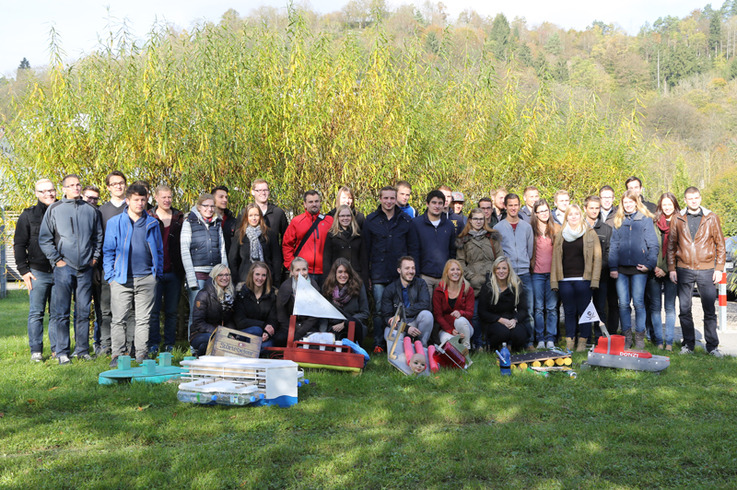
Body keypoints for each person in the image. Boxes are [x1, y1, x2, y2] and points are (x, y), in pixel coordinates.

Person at [39, 174, 103, 364]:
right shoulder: (54, 209)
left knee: (83, 311)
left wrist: (94, 258)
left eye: (78, 185)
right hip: (64, 268)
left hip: (85, 268)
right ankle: (62, 352)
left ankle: (82, 350)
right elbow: (45, 238)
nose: (76, 188)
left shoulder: (91, 210)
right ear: (64, 189)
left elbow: (98, 237)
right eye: (72, 185)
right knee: (61, 312)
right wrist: (57, 260)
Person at [103, 183, 163, 366]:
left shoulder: (152, 222)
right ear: (127, 201)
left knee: (143, 320)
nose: (139, 203)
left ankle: (141, 354)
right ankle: (118, 355)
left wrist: (156, 274)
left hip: (146, 278)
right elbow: (108, 251)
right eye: (136, 200)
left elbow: (159, 251)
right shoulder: (115, 223)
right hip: (121, 279)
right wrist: (111, 277)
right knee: (119, 319)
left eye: (143, 200)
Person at [667, 187, 726, 357]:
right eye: (690, 198)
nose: (694, 201)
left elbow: (720, 245)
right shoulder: (678, 218)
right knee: (685, 309)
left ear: (700, 198)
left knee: (709, 310)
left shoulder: (711, 217)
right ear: (685, 200)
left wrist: (719, 268)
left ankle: (712, 346)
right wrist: (672, 268)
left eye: (696, 198)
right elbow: (671, 246)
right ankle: (688, 345)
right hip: (684, 269)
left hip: (707, 269)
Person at [363, 186, 414, 352]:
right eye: (386, 198)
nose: (389, 201)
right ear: (380, 199)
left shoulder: (405, 220)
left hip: (399, 275)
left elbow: (411, 248)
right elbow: (366, 251)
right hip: (378, 274)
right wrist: (367, 276)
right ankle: (378, 343)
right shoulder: (370, 220)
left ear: (396, 198)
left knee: (400, 310)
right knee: (378, 311)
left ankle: (397, 344)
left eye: (392, 198)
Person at [609, 190, 659, 349]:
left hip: (639, 270)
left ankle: (639, 338)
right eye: (625, 202)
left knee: (638, 303)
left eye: (631, 202)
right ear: (622, 204)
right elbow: (614, 246)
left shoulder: (644, 220)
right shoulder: (619, 221)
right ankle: (627, 337)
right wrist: (613, 267)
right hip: (621, 270)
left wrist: (649, 265)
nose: (628, 205)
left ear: (636, 202)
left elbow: (653, 245)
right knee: (623, 304)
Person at [14, 178, 57, 361]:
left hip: (59, 270)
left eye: (51, 190)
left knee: (57, 313)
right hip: (38, 272)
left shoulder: (62, 211)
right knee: (36, 313)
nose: (48, 194)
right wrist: (24, 271)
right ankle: (36, 351)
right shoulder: (28, 215)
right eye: (43, 191)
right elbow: (19, 244)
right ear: (37, 194)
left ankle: (58, 350)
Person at [550, 204, 602, 352]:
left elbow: (597, 258)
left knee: (584, 311)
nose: (573, 217)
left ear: (581, 216)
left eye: (576, 214)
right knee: (569, 311)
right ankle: (570, 341)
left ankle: (583, 342)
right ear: (566, 217)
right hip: (565, 280)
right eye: (570, 214)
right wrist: (555, 280)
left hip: (584, 279)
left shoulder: (590, 233)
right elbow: (555, 259)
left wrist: (595, 280)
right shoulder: (560, 235)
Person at [456, 207, 503, 349]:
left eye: (481, 219)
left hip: (491, 281)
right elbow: (460, 262)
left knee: (492, 313)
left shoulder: (492, 237)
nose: (478, 222)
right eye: (475, 219)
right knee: (475, 315)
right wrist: (471, 277)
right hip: (473, 282)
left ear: (485, 220)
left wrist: (496, 276)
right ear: (470, 220)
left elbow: (500, 258)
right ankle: (478, 343)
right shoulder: (462, 240)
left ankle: (492, 342)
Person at [181, 193, 228, 335]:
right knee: (197, 311)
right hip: (197, 273)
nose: (209, 209)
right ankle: (194, 343)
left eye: (212, 206)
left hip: (214, 274)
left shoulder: (217, 223)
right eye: (206, 206)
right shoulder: (189, 222)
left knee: (215, 311)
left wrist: (225, 273)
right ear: (199, 207)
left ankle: (212, 342)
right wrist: (190, 277)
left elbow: (222, 249)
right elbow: (184, 250)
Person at [493, 193, 535, 349]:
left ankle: (529, 341)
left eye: (516, 205)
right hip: (507, 275)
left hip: (524, 272)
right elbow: (498, 252)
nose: (513, 208)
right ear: (505, 206)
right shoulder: (498, 228)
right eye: (510, 205)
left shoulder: (526, 227)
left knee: (528, 308)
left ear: (519, 205)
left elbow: (530, 250)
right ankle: (509, 342)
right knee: (507, 308)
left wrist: (524, 260)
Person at [147, 185, 185, 354]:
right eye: (163, 197)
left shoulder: (179, 217)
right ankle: (154, 344)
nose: (167, 200)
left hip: (174, 271)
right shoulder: (149, 217)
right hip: (154, 272)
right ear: (156, 198)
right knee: (153, 311)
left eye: (169, 197)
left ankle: (169, 344)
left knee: (171, 311)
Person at [98, 170, 128, 356]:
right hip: (108, 268)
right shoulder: (102, 211)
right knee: (106, 309)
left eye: (121, 182)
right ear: (108, 187)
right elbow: (99, 240)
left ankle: (127, 345)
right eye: (114, 183)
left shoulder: (134, 207)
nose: (118, 186)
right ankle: (105, 344)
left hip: (131, 268)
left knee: (128, 311)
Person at [409, 190, 457, 295]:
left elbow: (452, 251)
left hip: (444, 277)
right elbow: (413, 250)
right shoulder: (416, 224)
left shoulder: (449, 225)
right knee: (425, 309)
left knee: (442, 310)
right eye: (434, 202)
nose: (437, 206)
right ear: (427, 204)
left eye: (440, 203)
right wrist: (416, 274)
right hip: (424, 277)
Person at [649, 192, 680, 351]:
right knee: (655, 307)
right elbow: (649, 245)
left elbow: (680, 249)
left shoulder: (681, 222)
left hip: (672, 271)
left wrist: (667, 269)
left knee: (670, 308)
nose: (667, 207)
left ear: (675, 205)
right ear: (660, 206)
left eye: (670, 204)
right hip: (654, 270)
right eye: (664, 204)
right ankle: (658, 341)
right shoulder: (654, 222)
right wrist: (655, 267)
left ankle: (669, 342)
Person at [477, 256, 528, 352]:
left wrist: (515, 320)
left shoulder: (516, 286)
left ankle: (516, 350)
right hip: (494, 320)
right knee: (502, 332)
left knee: (520, 334)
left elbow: (523, 310)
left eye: (504, 268)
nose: (501, 271)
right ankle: (494, 349)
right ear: (494, 270)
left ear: (509, 270)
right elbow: (482, 311)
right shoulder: (488, 286)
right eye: (498, 268)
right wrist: (499, 320)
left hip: (511, 318)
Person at [381, 256, 433, 347]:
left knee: (427, 315)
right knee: (392, 338)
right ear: (399, 270)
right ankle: (402, 354)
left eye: (413, 268)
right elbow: (387, 318)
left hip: (415, 321)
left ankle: (421, 346)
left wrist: (400, 314)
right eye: (407, 268)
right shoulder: (390, 289)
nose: (411, 271)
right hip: (398, 325)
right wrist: (406, 328)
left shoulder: (421, 284)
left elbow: (425, 304)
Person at [282, 190, 334, 282]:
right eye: (311, 202)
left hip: (325, 272)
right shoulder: (297, 221)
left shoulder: (329, 221)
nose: (314, 204)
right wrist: (291, 266)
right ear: (305, 204)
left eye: (316, 201)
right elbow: (287, 245)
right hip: (303, 272)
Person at [530, 199, 560, 349]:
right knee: (538, 308)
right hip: (536, 274)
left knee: (552, 307)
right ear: (535, 213)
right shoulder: (530, 229)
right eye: (540, 211)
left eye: (546, 210)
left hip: (552, 274)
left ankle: (551, 338)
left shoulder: (556, 229)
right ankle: (540, 338)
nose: (543, 213)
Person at [229, 203, 281, 286]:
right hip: (244, 280)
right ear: (246, 217)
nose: (254, 218)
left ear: (260, 216)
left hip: (265, 279)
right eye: (250, 215)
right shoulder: (240, 234)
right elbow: (233, 259)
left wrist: (276, 282)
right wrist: (236, 281)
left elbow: (276, 259)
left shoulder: (269, 234)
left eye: (256, 215)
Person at [189, 264, 236, 356]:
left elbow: (230, 320)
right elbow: (198, 322)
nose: (224, 278)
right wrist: (218, 333)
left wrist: (230, 334)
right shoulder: (203, 294)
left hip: (221, 333)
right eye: (220, 275)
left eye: (227, 275)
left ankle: (202, 355)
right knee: (215, 340)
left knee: (230, 340)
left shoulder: (231, 295)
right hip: (200, 334)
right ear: (214, 277)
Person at [583, 196, 612, 341]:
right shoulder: (579, 227)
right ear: (585, 209)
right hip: (583, 276)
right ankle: (585, 337)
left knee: (600, 307)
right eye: (591, 208)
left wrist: (600, 268)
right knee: (585, 308)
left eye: (597, 208)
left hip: (602, 276)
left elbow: (608, 252)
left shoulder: (606, 229)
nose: (594, 211)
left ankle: (600, 338)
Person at [322, 258, 370, 343]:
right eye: (340, 272)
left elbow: (365, 313)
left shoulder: (358, 286)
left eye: (346, 272)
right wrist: (323, 332)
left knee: (352, 324)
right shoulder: (327, 287)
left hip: (353, 326)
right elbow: (324, 314)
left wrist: (345, 323)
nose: (343, 275)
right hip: (334, 327)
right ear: (335, 273)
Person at [234, 261, 279, 350]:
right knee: (256, 330)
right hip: (246, 333)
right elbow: (240, 321)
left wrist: (267, 333)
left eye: (263, 275)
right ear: (251, 275)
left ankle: (248, 351)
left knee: (267, 346)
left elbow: (273, 319)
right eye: (257, 274)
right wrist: (263, 325)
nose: (260, 278)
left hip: (263, 335)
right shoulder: (242, 293)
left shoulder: (272, 295)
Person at [276, 257, 321, 345]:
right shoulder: (285, 287)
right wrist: (292, 330)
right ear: (292, 272)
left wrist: (300, 332)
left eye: (304, 269)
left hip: (308, 327)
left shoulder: (314, 286)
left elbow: (315, 315)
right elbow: (281, 313)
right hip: (289, 326)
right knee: (280, 339)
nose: (301, 273)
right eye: (297, 270)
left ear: (308, 270)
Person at [432, 259, 474, 350]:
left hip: (464, 327)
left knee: (460, 320)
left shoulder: (468, 289)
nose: (456, 272)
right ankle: (458, 350)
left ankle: (466, 349)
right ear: (446, 273)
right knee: (448, 341)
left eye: (458, 269)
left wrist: (461, 313)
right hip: (445, 328)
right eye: (452, 269)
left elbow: (470, 313)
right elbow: (438, 316)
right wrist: (450, 330)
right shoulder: (439, 291)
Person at [322, 204, 368, 286]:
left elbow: (363, 259)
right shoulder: (331, 235)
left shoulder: (358, 235)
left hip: (356, 277)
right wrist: (327, 280)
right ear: (338, 217)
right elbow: (327, 260)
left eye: (348, 215)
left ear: (351, 217)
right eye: (342, 216)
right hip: (338, 278)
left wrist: (365, 280)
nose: (345, 218)